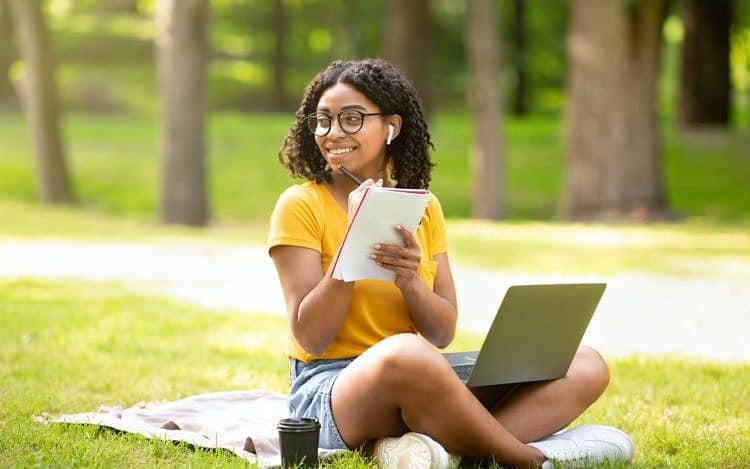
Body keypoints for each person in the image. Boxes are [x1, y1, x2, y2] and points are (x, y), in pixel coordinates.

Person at [267, 58, 634, 468]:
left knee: (584, 363)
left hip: (424, 377)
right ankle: (526, 460)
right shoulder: (300, 205)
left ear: (392, 126)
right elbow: (310, 337)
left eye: (351, 119)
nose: (333, 133)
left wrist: (410, 282)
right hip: (330, 389)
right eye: (323, 120)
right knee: (404, 353)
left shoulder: (423, 207)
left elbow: (441, 332)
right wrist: (355, 242)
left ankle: (455, 452)